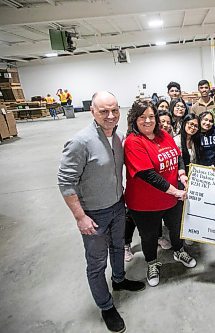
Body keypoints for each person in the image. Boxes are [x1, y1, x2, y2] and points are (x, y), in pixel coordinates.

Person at [57, 91, 145, 333]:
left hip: (117, 206)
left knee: (118, 247)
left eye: (114, 110)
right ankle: (106, 306)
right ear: (92, 111)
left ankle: (119, 280)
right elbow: (65, 183)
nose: (110, 115)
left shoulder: (118, 137)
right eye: (104, 111)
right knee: (96, 264)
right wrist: (80, 217)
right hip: (93, 214)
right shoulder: (80, 142)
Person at [124, 101, 197, 288]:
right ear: (134, 119)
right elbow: (148, 174)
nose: (148, 121)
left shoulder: (164, 134)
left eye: (151, 116)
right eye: (142, 117)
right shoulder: (133, 141)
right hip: (145, 203)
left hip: (172, 198)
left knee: (176, 227)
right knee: (148, 237)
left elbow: (178, 155)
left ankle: (178, 251)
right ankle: (152, 264)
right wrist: (176, 191)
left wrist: (182, 174)